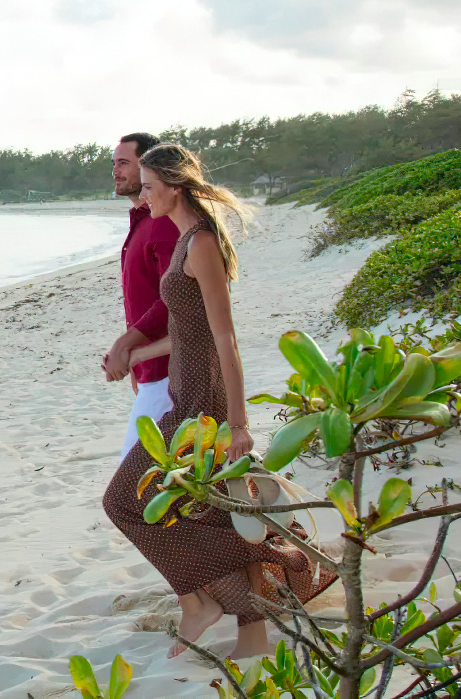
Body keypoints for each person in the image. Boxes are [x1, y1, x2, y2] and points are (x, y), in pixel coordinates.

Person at [100, 144, 334, 659]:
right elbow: (188, 332)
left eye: (149, 186)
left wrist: (238, 423)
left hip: (202, 400)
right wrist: (136, 354)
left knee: (123, 502)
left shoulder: (201, 243)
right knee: (216, 514)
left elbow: (225, 340)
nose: (143, 196)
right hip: (182, 392)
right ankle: (251, 629)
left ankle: (226, 588)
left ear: (173, 186)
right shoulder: (184, 239)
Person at [103, 133, 179, 462]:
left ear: (149, 167)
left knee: (132, 474)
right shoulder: (141, 222)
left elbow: (174, 299)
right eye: (114, 163)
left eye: (124, 163)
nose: (115, 171)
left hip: (169, 373)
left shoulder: (163, 224)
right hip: (151, 371)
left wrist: (125, 345)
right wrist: (133, 358)